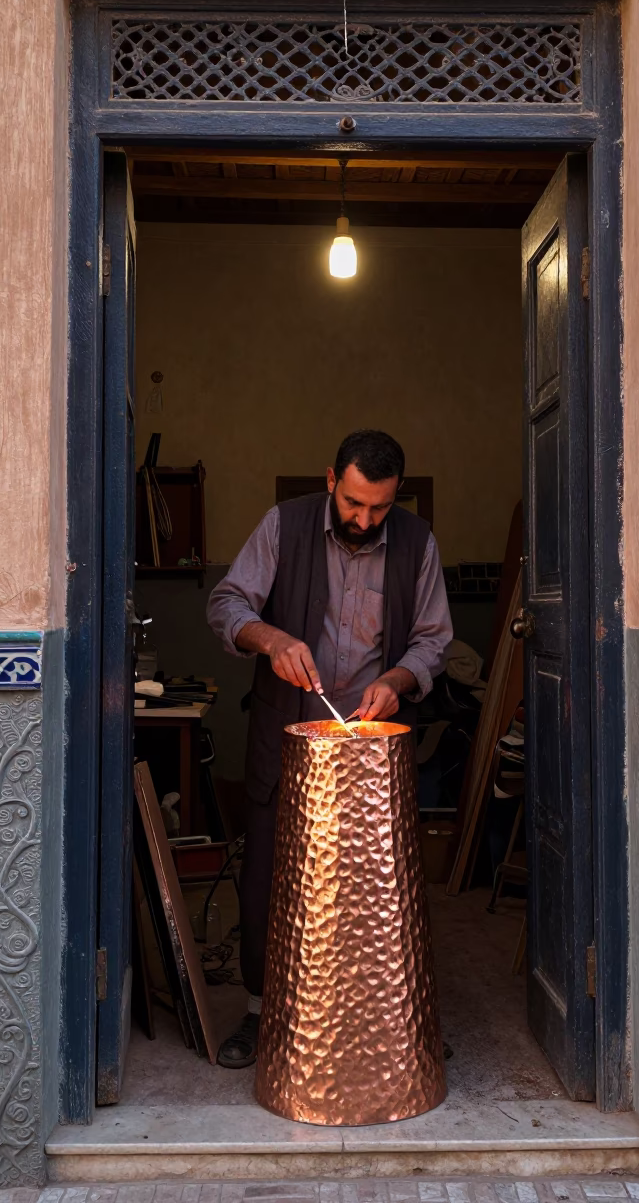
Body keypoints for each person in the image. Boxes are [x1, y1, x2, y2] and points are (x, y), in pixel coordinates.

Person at [207, 429, 453, 1067]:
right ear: (330, 480)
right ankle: (262, 1013)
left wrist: (397, 680)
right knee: (271, 880)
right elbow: (226, 602)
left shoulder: (417, 544)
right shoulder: (282, 526)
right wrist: (271, 640)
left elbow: (433, 642)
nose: (364, 520)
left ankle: (390, 1024)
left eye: (379, 508)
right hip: (287, 743)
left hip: (371, 750)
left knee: (376, 893)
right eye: (353, 503)